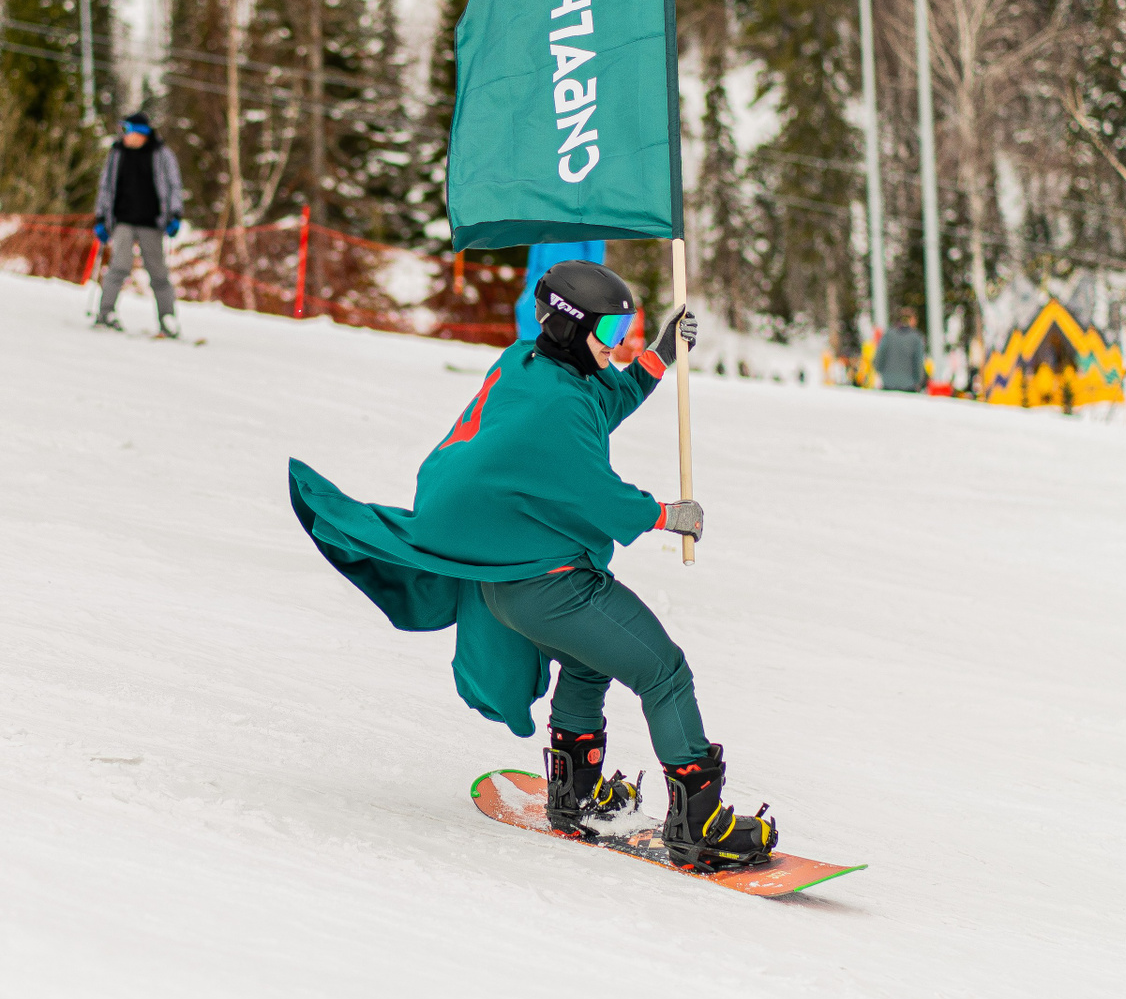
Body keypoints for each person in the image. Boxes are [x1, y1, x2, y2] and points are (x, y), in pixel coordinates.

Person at [288, 260, 779, 871]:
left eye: (625, 329)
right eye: (610, 331)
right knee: (664, 673)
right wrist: (666, 515)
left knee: (588, 662)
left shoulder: (528, 365)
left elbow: (599, 405)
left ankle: (575, 795)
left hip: (509, 584)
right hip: (551, 586)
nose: (618, 343)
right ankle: (699, 825)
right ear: (572, 328)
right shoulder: (556, 406)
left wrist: (657, 357)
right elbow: (594, 492)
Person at [92, 112, 184, 337]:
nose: (123, 135)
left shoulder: (161, 154)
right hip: (122, 220)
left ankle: (167, 318)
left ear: (140, 133)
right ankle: (105, 313)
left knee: (158, 272)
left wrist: (175, 215)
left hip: (152, 222)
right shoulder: (117, 154)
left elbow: (174, 185)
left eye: (127, 130)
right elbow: (105, 186)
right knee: (119, 266)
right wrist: (101, 218)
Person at [876, 309, 927, 393]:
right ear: (911, 320)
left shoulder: (888, 334)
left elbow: (880, 356)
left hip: (888, 383)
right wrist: (919, 381)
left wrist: (880, 371)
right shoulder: (916, 338)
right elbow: (918, 362)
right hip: (909, 385)